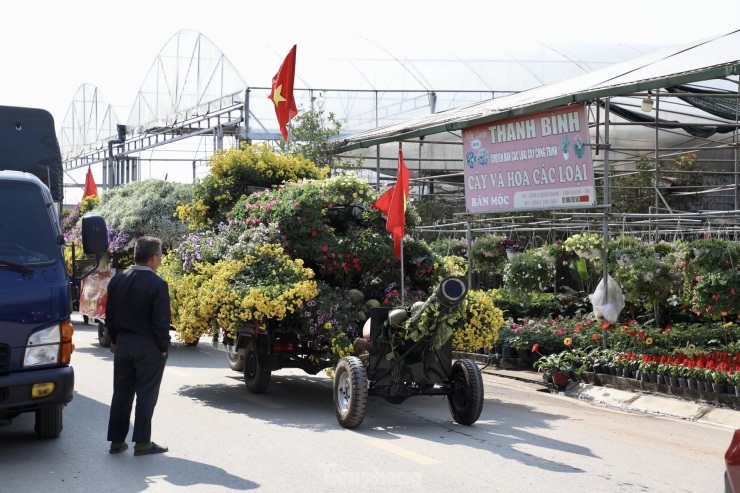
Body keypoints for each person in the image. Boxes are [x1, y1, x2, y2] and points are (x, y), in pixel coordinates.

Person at [106, 236, 171, 456]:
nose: (160, 260)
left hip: (123, 344)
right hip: (149, 346)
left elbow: (110, 315)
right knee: (146, 395)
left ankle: (116, 441)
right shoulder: (158, 284)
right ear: (153, 258)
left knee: (121, 393)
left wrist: (114, 340)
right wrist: (163, 347)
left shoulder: (118, 279)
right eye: (160, 256)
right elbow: (161, 322)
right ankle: (142, 443)